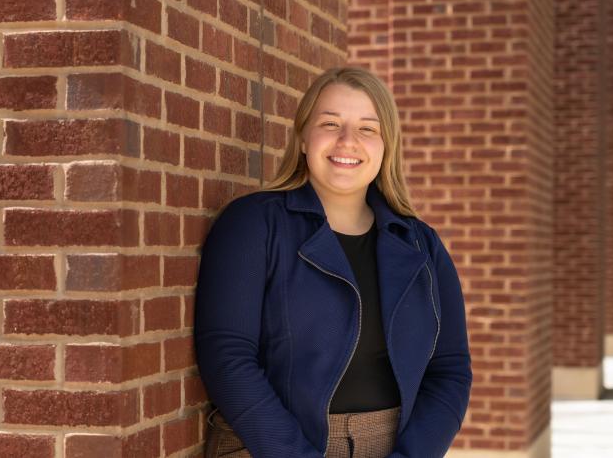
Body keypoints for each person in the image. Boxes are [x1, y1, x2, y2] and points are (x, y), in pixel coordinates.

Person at [193, 66, 472, 458]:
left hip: (392, 447)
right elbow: (227, 355)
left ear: (386, 146)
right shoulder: (254, 224)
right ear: (304, 137)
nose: (348, 141)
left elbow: (451, 369)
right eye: (330, 123)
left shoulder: (421, 244)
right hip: (264, 446)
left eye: (367, 129)